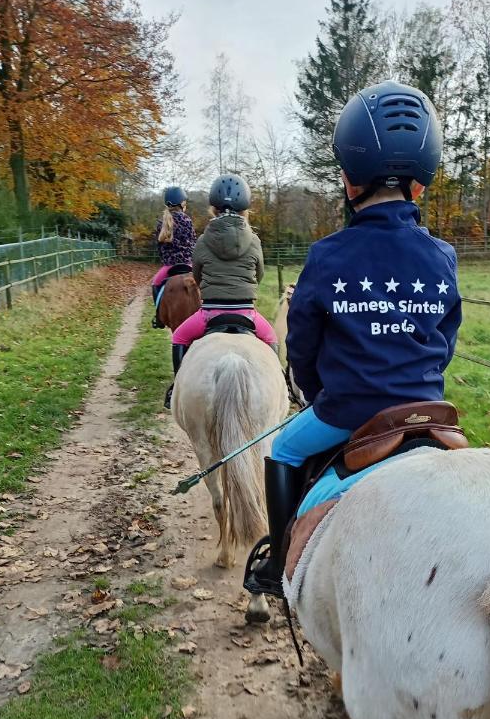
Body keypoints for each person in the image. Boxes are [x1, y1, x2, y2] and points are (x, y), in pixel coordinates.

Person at [244, 80, 463, 598]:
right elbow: (446, 339)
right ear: (422, 184)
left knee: (282, 449)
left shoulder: (327, 255)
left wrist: (322, 392)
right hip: (429, 410)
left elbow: (302, 347)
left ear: (347, 180)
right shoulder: (442, 256)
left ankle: (277, 563)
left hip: (348, 410)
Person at [165, 173, 278, 407]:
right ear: (245, 209)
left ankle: (177, 388)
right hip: (247, 314)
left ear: (213, 209)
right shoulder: (254, 241)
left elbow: (196, 274)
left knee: (179, 337)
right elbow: (260, 274)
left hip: (209, 314)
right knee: (272, 338)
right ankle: (280, 386)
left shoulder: (204, 240)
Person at [151, 186, 196, 303]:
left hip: (169, 266)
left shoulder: (162, 222)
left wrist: (166, 260)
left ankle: (158, 318)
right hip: (188, 264)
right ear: (182, 203)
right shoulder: (187, 220)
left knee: (155, 283)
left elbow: (160, 249)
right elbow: (193, 242)